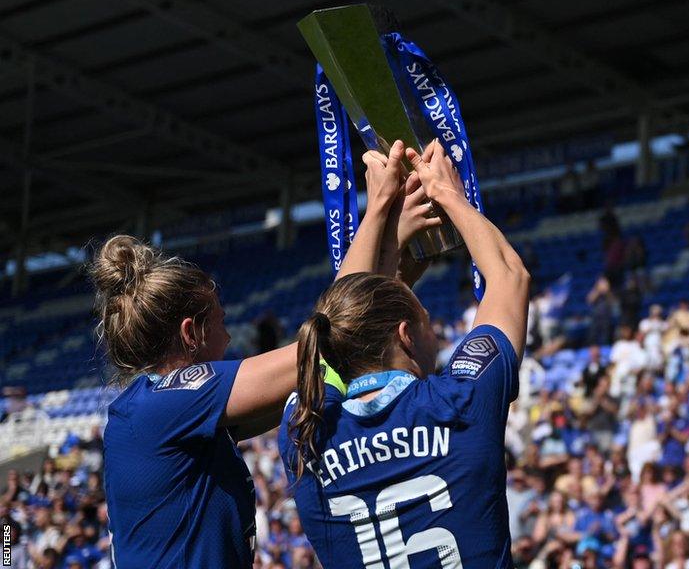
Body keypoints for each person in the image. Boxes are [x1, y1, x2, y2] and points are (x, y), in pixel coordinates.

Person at [93, 139, 436, 568]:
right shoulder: (167, 404)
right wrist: (379, 209)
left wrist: (393, 252)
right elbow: (322, 345)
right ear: (190, 334)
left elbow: (328, 359)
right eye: (220, 323)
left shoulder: (165, 415)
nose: (230, 339)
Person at [279, 140, 530, 568]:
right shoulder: (459, 402)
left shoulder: (306, 432)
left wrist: (379, 214)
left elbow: (338, 326)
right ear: (405, 336)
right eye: (425, 320)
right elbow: (510, 277)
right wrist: (450, 193)